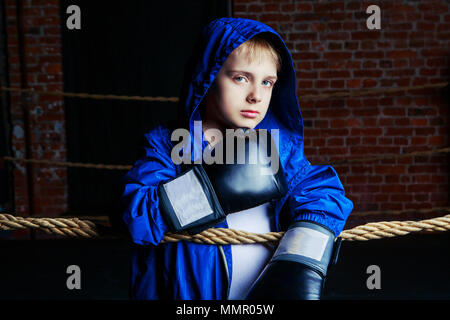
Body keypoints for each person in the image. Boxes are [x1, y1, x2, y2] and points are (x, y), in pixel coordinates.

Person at [119, 17, 353, 300]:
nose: (256, 95)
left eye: (267, 82)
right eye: (241, 78)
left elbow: (324, 195)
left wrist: (299, 265)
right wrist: (209, 190)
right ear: (208, 77)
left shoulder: (277, 150)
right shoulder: (168, 146)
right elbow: (135, 213)